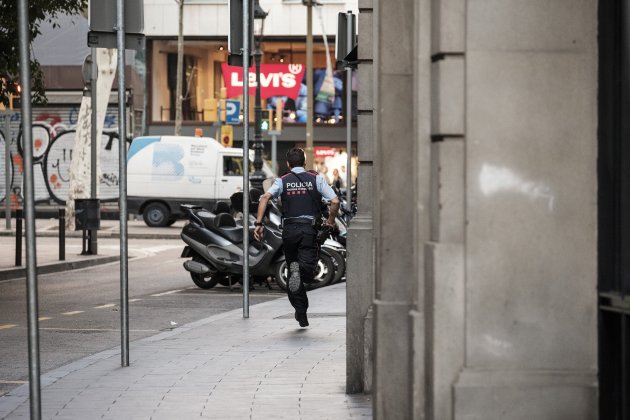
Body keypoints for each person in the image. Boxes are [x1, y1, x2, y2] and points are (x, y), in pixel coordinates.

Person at [254, 148, 340, 327]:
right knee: (307, 270)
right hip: (308, 231)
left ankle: (301, 312)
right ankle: (300, 275)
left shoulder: (282, 180)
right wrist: (331, 221)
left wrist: (259, 224)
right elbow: (335, 201)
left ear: (288, 164)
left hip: (289, 231)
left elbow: (264, 198)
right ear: (305, 162)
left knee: (293, 267)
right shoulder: (315, 178)